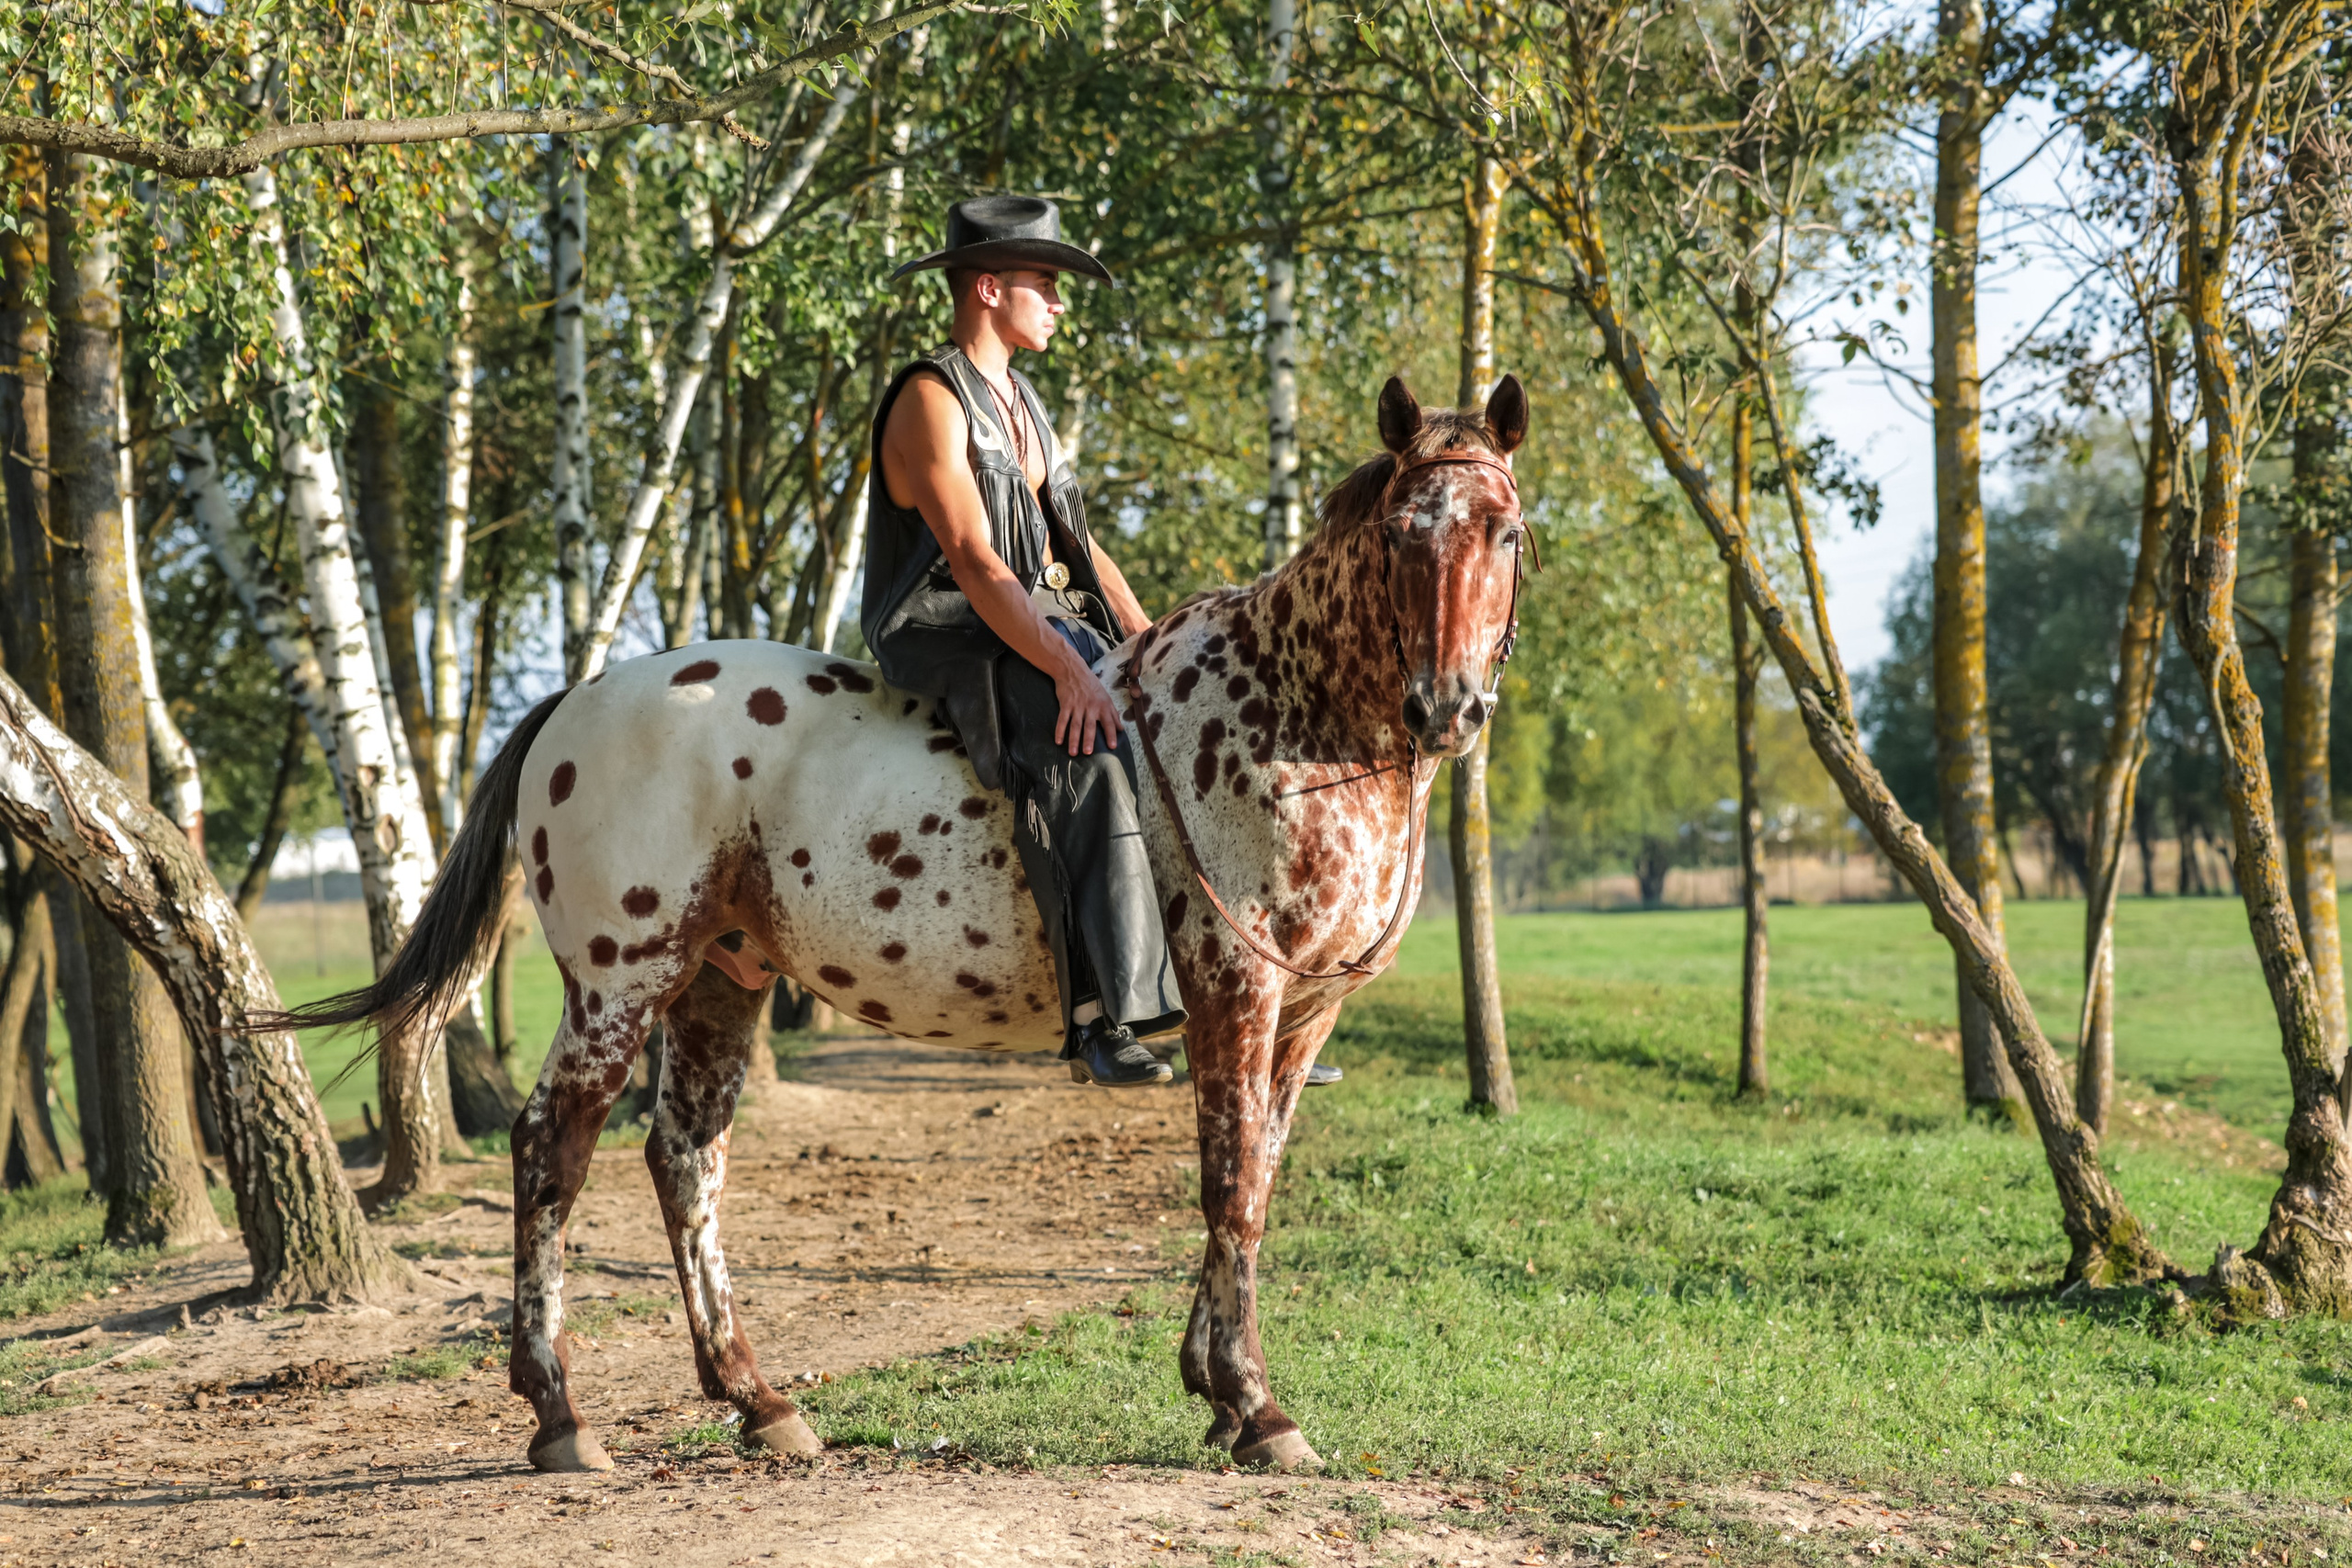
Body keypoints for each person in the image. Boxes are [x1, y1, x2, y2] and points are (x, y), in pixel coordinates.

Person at [863, 196, 1182, 1088]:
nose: (1060, 303)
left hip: (1033, 612)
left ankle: (1213, 992)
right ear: (991, 289)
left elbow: (1076, 548)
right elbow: (971, 561)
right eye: (1046, 285)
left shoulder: (1024, 404)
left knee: (1169, 724)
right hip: (949, 625)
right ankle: (1101, 1017)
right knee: (1076, 739)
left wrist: (1150, 643)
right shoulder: (932, 400)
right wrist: (1066, 667)